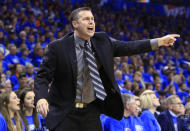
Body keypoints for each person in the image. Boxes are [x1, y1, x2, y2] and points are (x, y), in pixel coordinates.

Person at [34, 7, 180, 130]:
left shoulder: (102, 40)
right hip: (66, 112)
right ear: (75, 24)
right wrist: (41, 98)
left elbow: (128, 47)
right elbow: (42, 76)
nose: (91, 22)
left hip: (91, 111)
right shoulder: (58, 47)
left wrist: (158, 42)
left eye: (92, 19)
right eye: (86, 19)